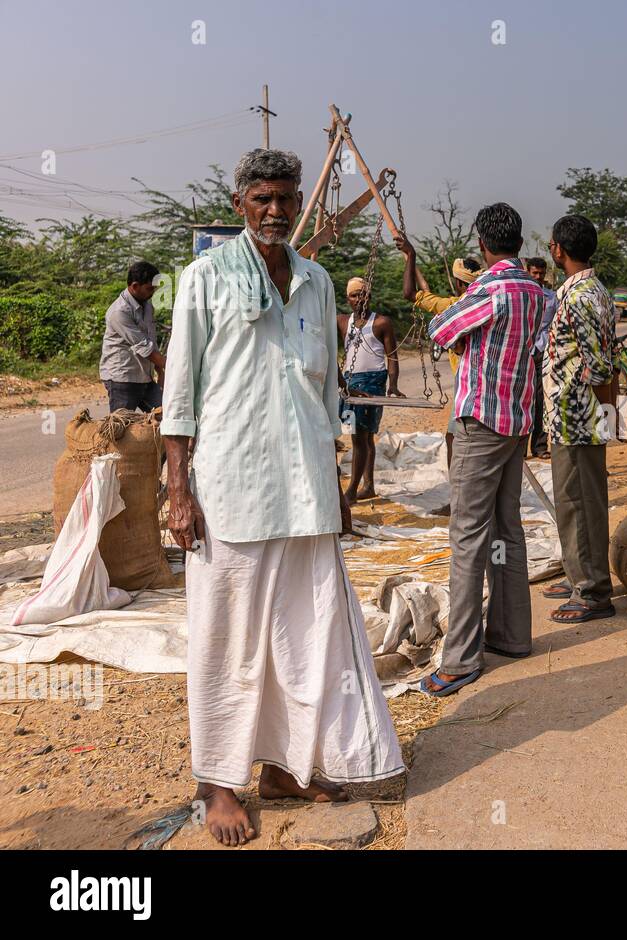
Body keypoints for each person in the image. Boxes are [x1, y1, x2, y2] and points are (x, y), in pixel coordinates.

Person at [160, 149, 403, 846]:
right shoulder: (205, 278)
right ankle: (217, 781)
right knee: (227, 639)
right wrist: (179, 490)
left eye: (286, 199)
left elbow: (326, 397)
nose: (275, 210)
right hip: (230, 488)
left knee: (302, 635)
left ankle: (283, 768)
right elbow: (179, 397)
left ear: (301, 203)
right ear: (240, 203)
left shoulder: (319, 283)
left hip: (304, 492)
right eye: (262, 198)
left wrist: (335, 484)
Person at [422, 203, 545, 697]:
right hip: (516, 421)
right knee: (506, 528)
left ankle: (460, 658)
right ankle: (512, 635)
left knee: (468, 537)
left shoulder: (489, 291)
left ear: (481, 243)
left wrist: (466, 294)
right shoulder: (540, 293)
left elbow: (439, 330)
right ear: (519, 240)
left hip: (480, 424)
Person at [538, 216, 617, 623]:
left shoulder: (581, 296)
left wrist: (571, 389)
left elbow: (600, 365)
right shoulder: (586, 291)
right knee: (573, 502)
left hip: (577, 416)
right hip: (572, 414)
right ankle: (579, 576)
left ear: (558, 250)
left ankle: (592, 591)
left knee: (580, 503)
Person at [395, 231, 482, 470]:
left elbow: (409, 294)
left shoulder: (454, 306)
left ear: (459, 283)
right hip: (486, 386)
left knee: (455, 440)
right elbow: (427, 296)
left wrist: (410, 255)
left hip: (467, 388)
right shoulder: (480, 303)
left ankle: (458, 495)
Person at [336, 276, 402, 504]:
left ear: (369, 296)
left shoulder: (381, 322)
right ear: (348, 299)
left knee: (361, 437)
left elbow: (392, 357)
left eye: (362, 294)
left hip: (373, 382)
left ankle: (353, 490)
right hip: (349, 382)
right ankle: (368, 486)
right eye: (354, 295)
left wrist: (392, 384)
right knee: (361, 438)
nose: (358, 299)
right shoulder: (342, 322)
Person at [100, 260, 165, 413]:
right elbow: (143, 346)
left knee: (166, 417)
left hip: (145, 377)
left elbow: (150, 338)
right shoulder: (119, 312)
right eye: (150, 288)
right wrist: (166, 364)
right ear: (135, 286)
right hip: (122, 378)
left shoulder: (147, 305)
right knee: (121, 428)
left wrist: (160, 369)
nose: (153, 292)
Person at [524, 256, 558, 459]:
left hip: (543, 353)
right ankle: (519, 448)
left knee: (541, 400)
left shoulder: (552, 297)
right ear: (527, 272)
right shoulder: (521, 295)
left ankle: (539, 446)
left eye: (541, 273)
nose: (538, 277)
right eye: (534, 273)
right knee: (522, 399)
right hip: (523, 353)